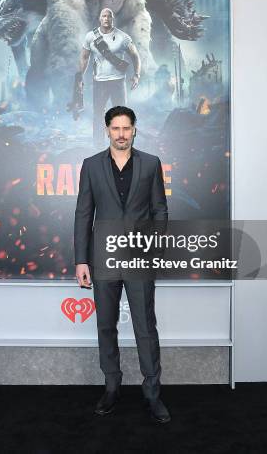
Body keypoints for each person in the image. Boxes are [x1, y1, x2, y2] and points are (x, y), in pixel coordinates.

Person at [74, 106, 171, 423]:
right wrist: (81, 260)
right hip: (102, 258)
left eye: (126, 128)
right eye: (115, 128)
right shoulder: (91, 166)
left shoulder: (151, 164)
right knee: (105, 326)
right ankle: (112, 387)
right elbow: (83, 215)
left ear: (134, 130)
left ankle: (152, 394)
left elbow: (160, 210)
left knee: (145, 327)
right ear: (107, 131)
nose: (121, 134)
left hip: (140, 258)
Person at [77, 8, 141, 146]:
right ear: (100, 18)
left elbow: (135, 55)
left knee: (121, 116)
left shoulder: (122, 37)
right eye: (104, 16)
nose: (106, 18)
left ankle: (121, 144)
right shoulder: (91, 36)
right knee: (98, 114)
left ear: (112, 19)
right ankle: (98, 145)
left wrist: (136, 75)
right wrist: (79, 77)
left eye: (109, 16)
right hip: (99, 82)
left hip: (118, 81)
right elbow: (84, 57)